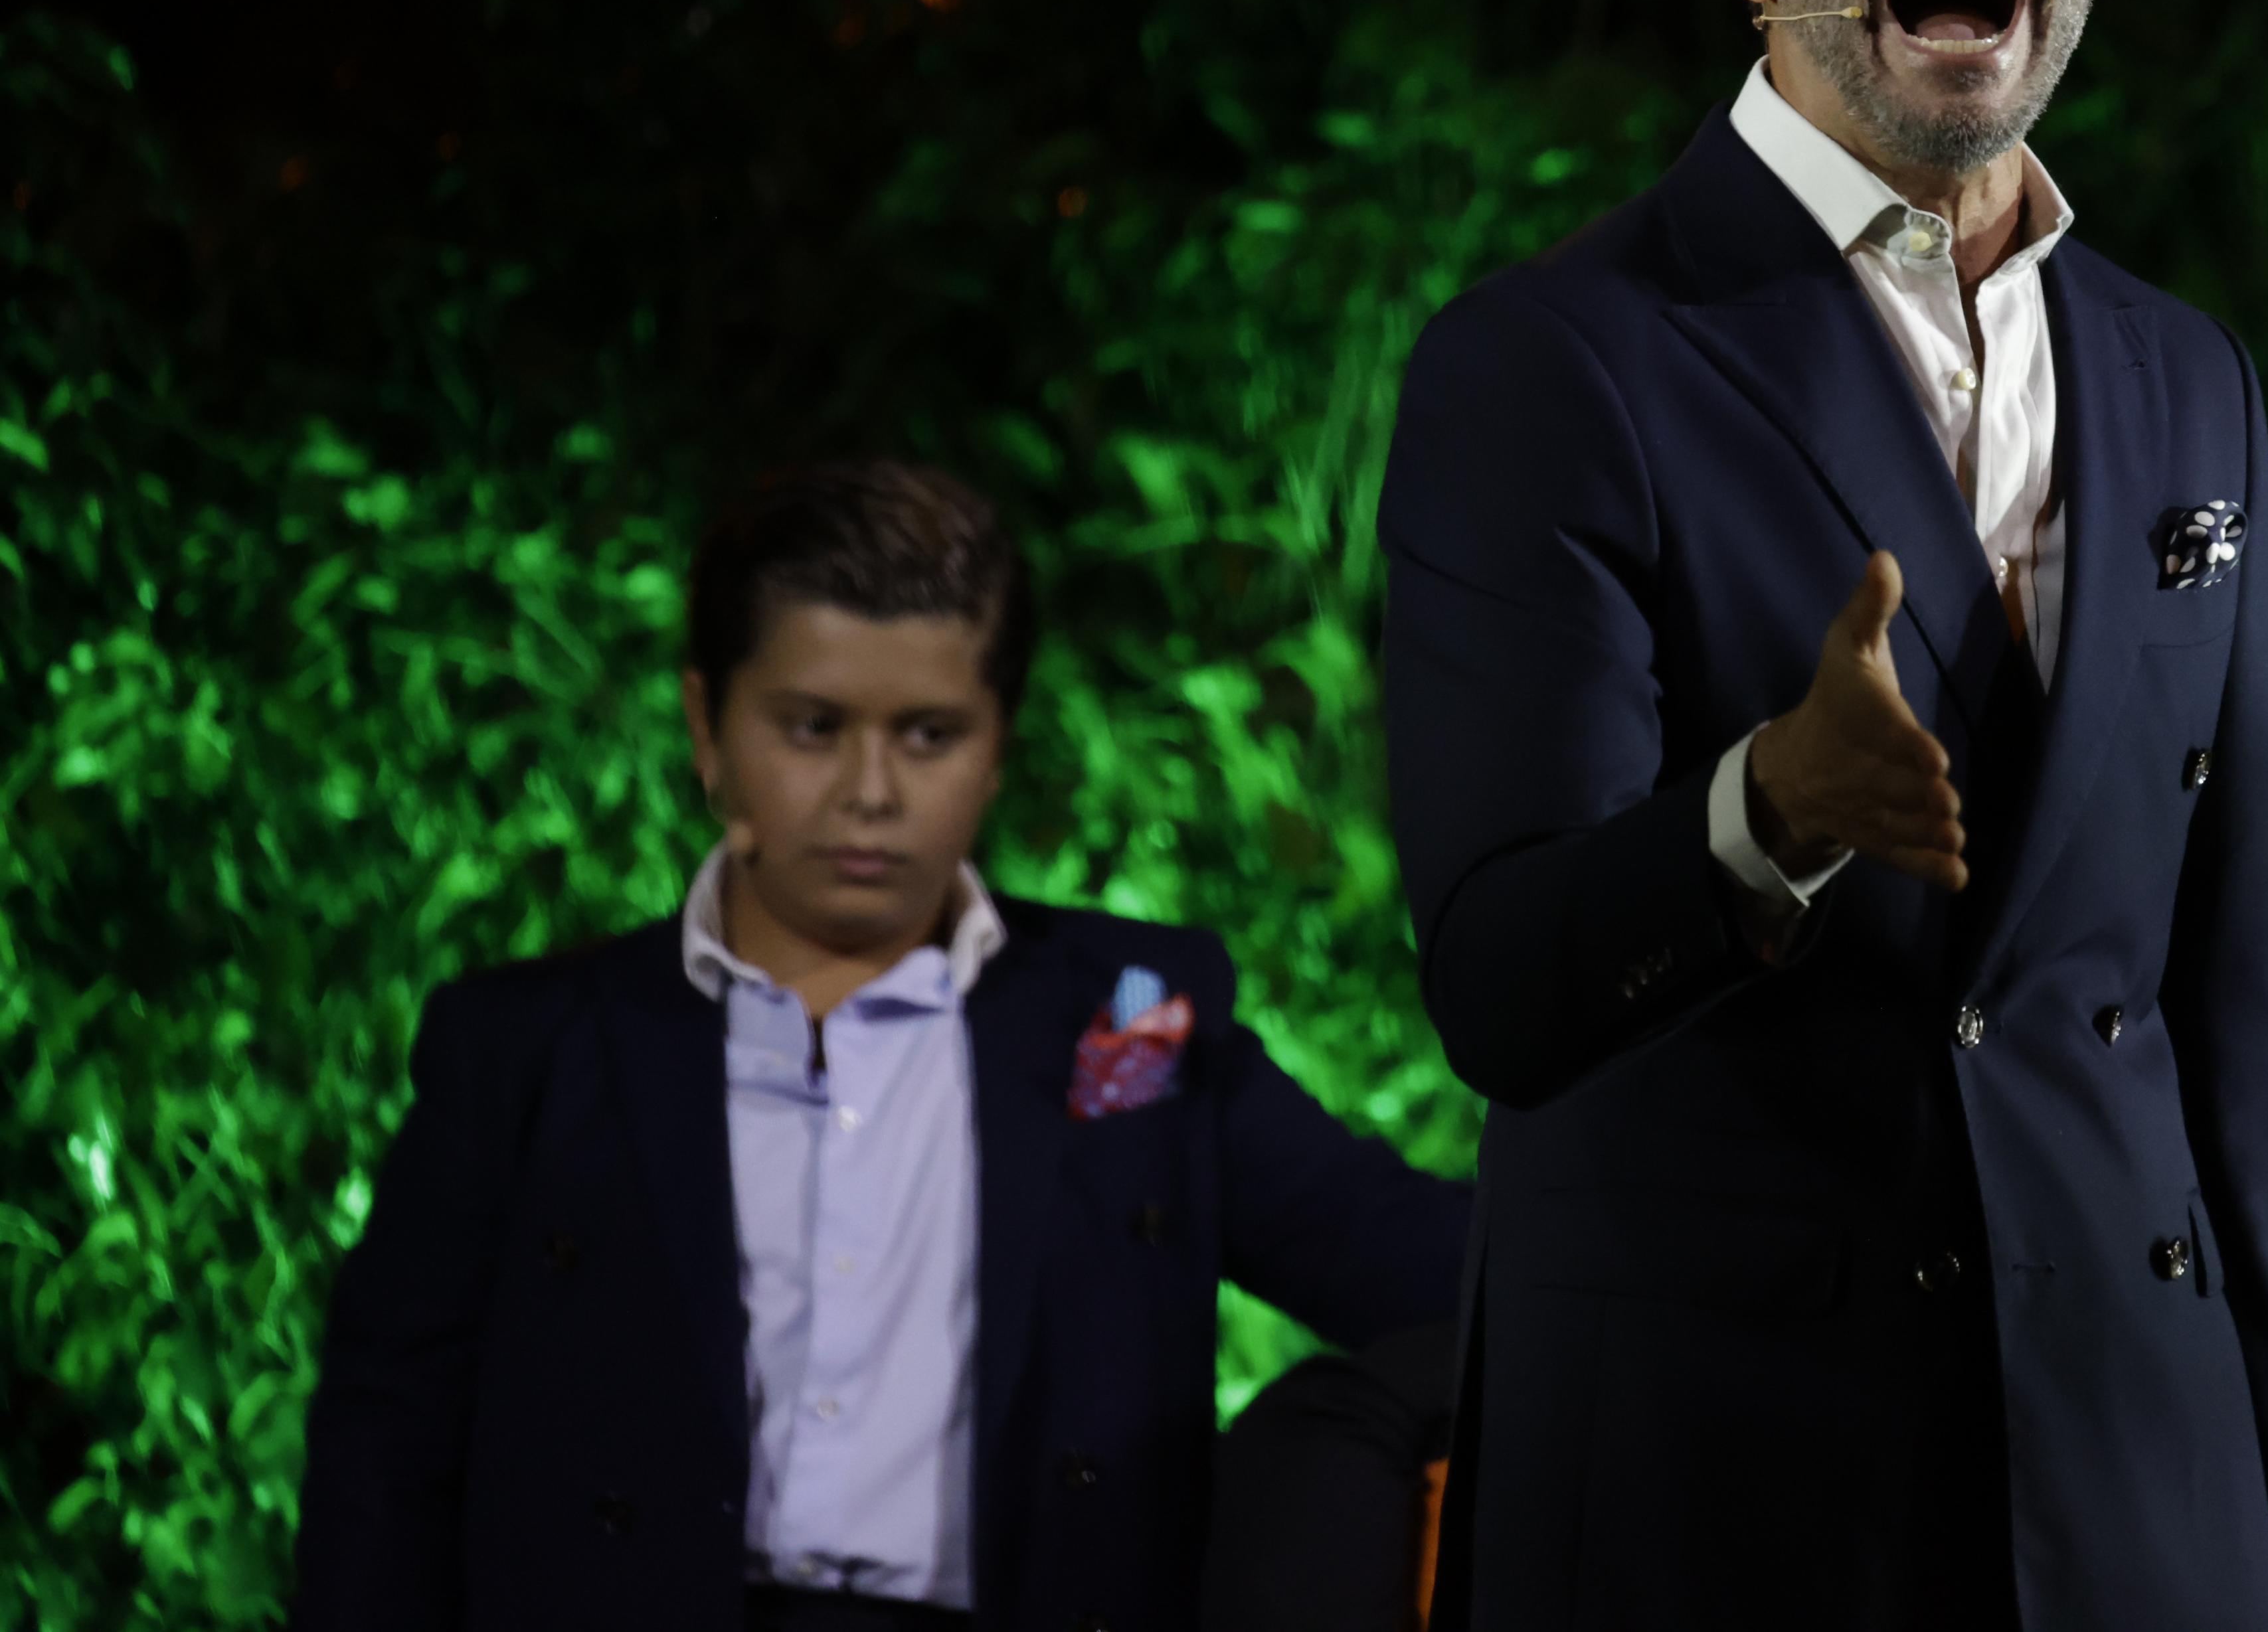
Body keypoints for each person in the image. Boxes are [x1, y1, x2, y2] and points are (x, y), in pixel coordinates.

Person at [1378, 0, 2268, 1632]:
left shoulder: (2189, 381)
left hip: (2131, 1502)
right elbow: (1500, 983)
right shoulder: (1553, 364)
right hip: (1718, 1499)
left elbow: (2238, 1047)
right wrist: (1764, 811)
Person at [293, 459, 1469, 1632]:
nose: (870, 790)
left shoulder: (1130, 1016)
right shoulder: (533, 1049)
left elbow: (1423, 1267)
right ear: (709, 724)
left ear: (998, 742)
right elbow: (385, 1452)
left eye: (929, 733)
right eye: (812, 727)